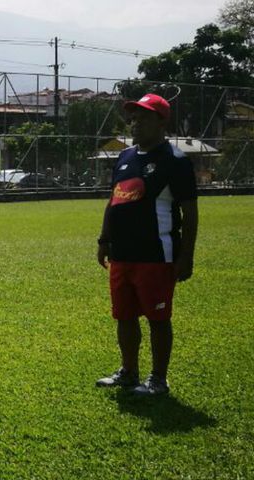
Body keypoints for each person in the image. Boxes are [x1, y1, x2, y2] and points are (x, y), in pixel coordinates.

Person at [95, 93, 198, 396]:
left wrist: (186, 256)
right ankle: (128, 372)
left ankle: (158, 379)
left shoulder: (175, 161)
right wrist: (104, 239)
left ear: (161, 122)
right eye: (133, 118)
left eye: (143, 118)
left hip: (156, 256)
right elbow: (114, 201)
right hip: (122, 254)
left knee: (158, 318)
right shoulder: (125, 157)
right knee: (124, 315)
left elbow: (190, 212)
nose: (135, 123)